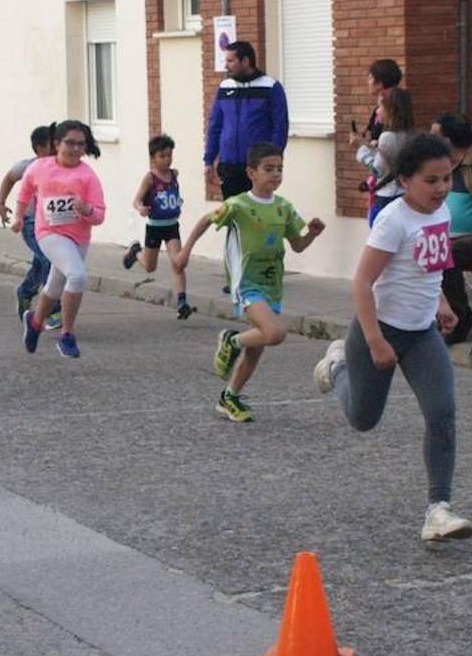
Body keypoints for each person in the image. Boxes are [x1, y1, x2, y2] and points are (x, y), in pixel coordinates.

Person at [313, 133, 472, 543]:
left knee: (442, 413)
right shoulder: (393, 220)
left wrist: (441, 303)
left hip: (422, 334)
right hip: (379, 330)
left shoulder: (442, 213)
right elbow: (362, 283)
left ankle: (439, 509)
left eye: (447, 178)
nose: (442, 189)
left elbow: (428, 267)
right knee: (364, 419)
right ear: (405, 181)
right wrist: (374, 340)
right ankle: (338, 366)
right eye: (432, 181)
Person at [174, 143, 325, 422]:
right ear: (251, 172)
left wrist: (312, 234)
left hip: (272, 286)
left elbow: (298, 245)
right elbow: (206, 220)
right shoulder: (239, 204)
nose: (276, 174)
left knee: (257, 347)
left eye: (280, 169)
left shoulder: (283, 208)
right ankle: (231, 340)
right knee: (275, 333)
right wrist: (184, 252)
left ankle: (229, 396)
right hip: (247, 284)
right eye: (269, 169)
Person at [13, 120, 106, 359]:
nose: (75, 149)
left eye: (80, 144)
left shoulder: (88, 176)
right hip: (49, 233)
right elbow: (24, 192)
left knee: (55, 284)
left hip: (78, 238)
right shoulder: (40, 167)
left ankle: (35, 320)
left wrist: (86, 210)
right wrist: (19, 217)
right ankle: (67, 334)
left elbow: (99, 216)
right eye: (70, 143)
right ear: (57, 143)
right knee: (78, 276)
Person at [431, 113, 472, 343]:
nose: (431, 140)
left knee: (443, 256)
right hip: (447, 234)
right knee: (418, 252)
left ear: (450, 139)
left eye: (435, 136)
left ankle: (461, 318)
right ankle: (435, 317)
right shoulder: (443, 163)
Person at [204, 40, 289, 200]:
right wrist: (209, 160)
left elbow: (280, 127)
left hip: (257, 167)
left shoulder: (271, 87)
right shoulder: (225, 87)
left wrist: (272, 162)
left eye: (230, 61)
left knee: (257, 217)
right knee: (233, 217)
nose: (226, 66)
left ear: (245, 61)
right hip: (229, 165)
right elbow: (215, 126)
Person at [0, 124, 63, 321]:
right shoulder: (28, 167)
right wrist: (1, 203)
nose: (57, 149)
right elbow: (9, 178)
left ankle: (25, 292)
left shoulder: (62, 166)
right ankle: (53, 309)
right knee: (49, 260)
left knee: (40, 263)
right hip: (31, 223)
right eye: (53, 145)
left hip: (53, 223)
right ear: (40, 149)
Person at [122, 133, 193, 319]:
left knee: (178, 263)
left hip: (172, 226)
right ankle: (135, 252)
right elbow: (136, 200)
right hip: (154, 227)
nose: (167, 160)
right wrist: (141, 208)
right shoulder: (150, 179)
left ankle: (182, 302)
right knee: (149, 267)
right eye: (162, 156)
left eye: (170, 155)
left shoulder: (174, 174)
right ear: (153, 158)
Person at [356, 87, 414, 225]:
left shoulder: (387, 137)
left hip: (387, 195)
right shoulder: (410, 135)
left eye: (380, 106)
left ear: (391, 110)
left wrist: (362, 150)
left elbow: (377, 171)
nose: (377, 111)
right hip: (405, 194)